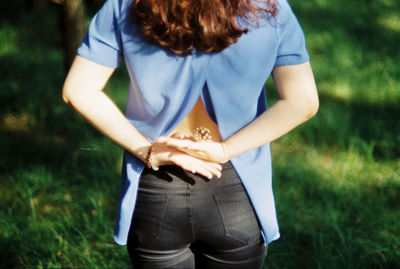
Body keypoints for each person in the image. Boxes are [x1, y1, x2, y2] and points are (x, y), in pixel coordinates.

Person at [62, 0, 319, 268]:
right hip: (235, 188)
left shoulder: (125, 5)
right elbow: (303, 101)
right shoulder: (268, 7)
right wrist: (224, 150)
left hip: (157, 186)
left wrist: (147, 151)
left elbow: (78, 90)